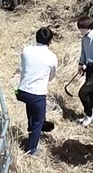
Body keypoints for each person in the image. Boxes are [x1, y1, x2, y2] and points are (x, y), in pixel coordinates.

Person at [15, 27, 57, 156]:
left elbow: (23, 67)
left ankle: (30, 132)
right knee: (38, 123)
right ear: (50, 41)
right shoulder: (51, 57)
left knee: (31, 113)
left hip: (21, 92)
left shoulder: (26, 50)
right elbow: (52, 76)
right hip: (37, 94)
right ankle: (32, 149)